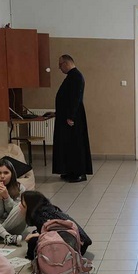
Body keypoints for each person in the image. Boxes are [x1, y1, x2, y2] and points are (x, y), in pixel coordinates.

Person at [53, 54, 93, 183]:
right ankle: (70, 171)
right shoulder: (72, 76)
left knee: (76, 145)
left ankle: (79, 173)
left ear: (66, 63)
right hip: (68, 117)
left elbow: (76, 97)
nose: (59, 68)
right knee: (68, 145)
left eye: (60, 65)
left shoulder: (76, 77)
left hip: (73, 118)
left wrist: (71, 116)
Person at [21, 190, 92, 258]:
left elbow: (52, 235)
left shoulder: (41, 217)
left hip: (75, 247)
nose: (20, 206)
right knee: (35, 233)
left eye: (22, 204)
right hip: (80, 242)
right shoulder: (48, 210)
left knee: (33, 241)